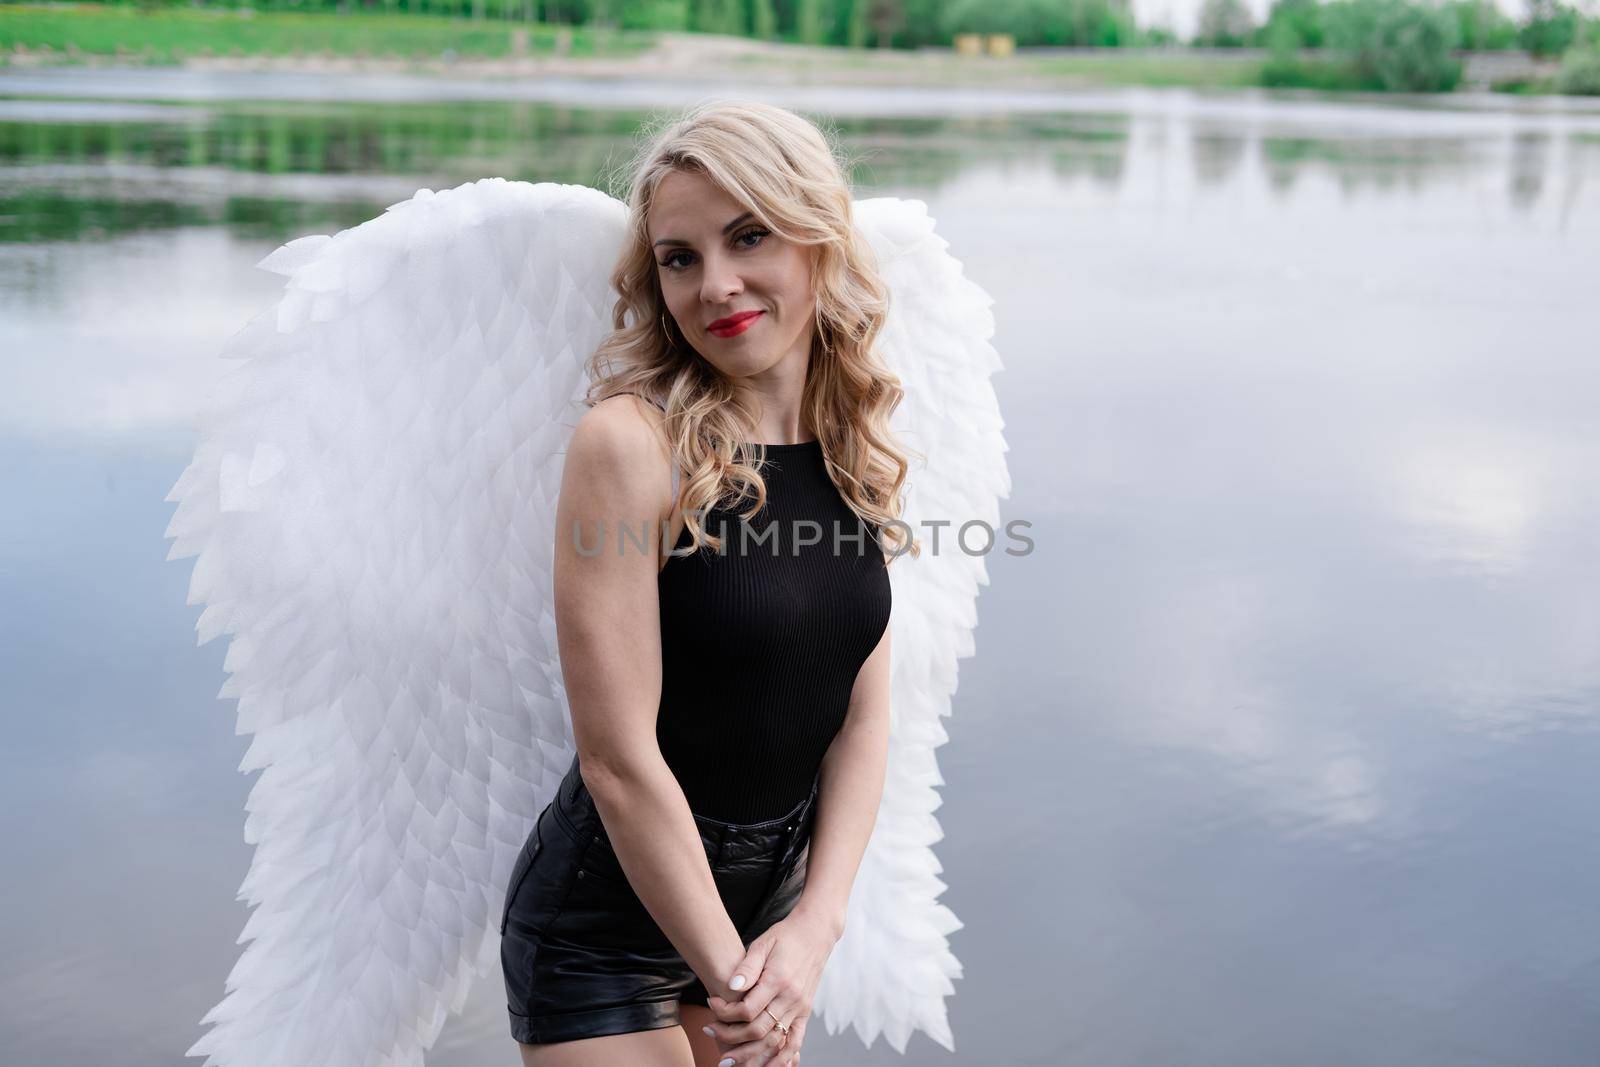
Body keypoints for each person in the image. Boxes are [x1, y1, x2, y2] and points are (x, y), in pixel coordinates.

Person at [499, 100, 906, 1067]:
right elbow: (618, 759)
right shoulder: (629, 447)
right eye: (679, 257)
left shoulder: (854, 442)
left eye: (747, 236)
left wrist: (815, 929)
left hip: (769, 919)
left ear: (817, 239)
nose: (714, 284)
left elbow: (864, 716)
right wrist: (741, 987)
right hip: (608, 933)